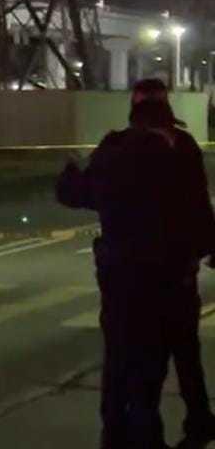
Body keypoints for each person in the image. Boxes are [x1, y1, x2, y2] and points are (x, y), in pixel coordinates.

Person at [58, 79, 215, 448]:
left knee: (123, 358)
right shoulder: (182, 147)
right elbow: (198, 207)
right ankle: (196, 420)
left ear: (134, 108)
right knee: (180, 351)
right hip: (174, 275)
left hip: (122, 276)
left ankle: (120, 431)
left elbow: (76, 193)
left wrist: (68, 172)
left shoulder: (114, 149)